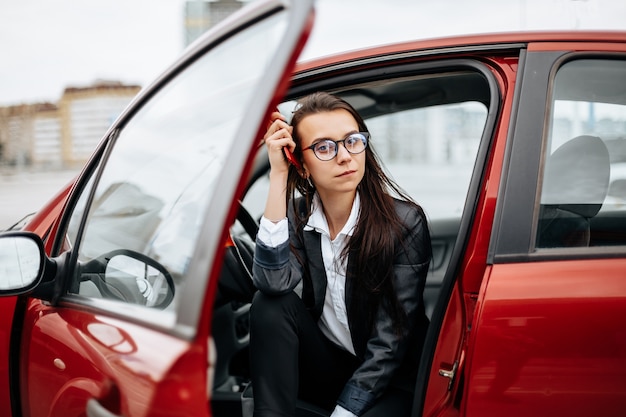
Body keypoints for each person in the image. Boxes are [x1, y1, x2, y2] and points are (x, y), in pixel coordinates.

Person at [250, 92, 431, 417]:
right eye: (324, 147)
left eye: (352, 141)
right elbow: (272, 283)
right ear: (302, 166)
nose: (345, 156)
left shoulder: (404, 223)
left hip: (389, 379)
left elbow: (391, 341)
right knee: (269, 306)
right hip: (332, 366)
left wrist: (345, 411)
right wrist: (278, 174)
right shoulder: (298, 215)